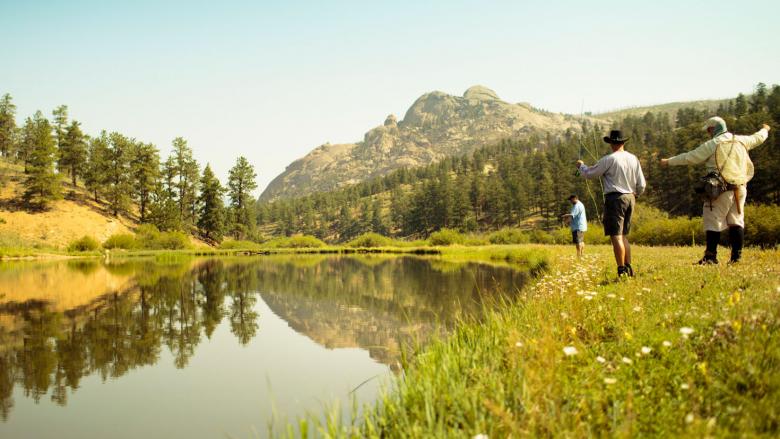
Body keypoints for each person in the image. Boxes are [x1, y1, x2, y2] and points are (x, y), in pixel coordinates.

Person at [660, 117, 770, 264]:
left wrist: (668, 162)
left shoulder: (713, 143)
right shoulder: (742, 140)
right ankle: (736, 259)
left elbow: (690, 157)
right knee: (736, 222)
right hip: (740, 188)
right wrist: (765, 129)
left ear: (713, 129)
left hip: (720, 189)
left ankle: (710, 257)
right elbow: (758, 138)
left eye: (708, 130)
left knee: (713, 221)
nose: (708, 133)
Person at [576, 129, 646, 277]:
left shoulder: (609, 159)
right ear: (623, 142)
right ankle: (628, 267)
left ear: (612, 143)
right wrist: (636, 194)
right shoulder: (633, 158)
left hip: (615, 199)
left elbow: (590, 174)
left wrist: (581, 166)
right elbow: (642, 184)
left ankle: (621, 270)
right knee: (624, 235)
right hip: (630, 198)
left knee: (616, 236)